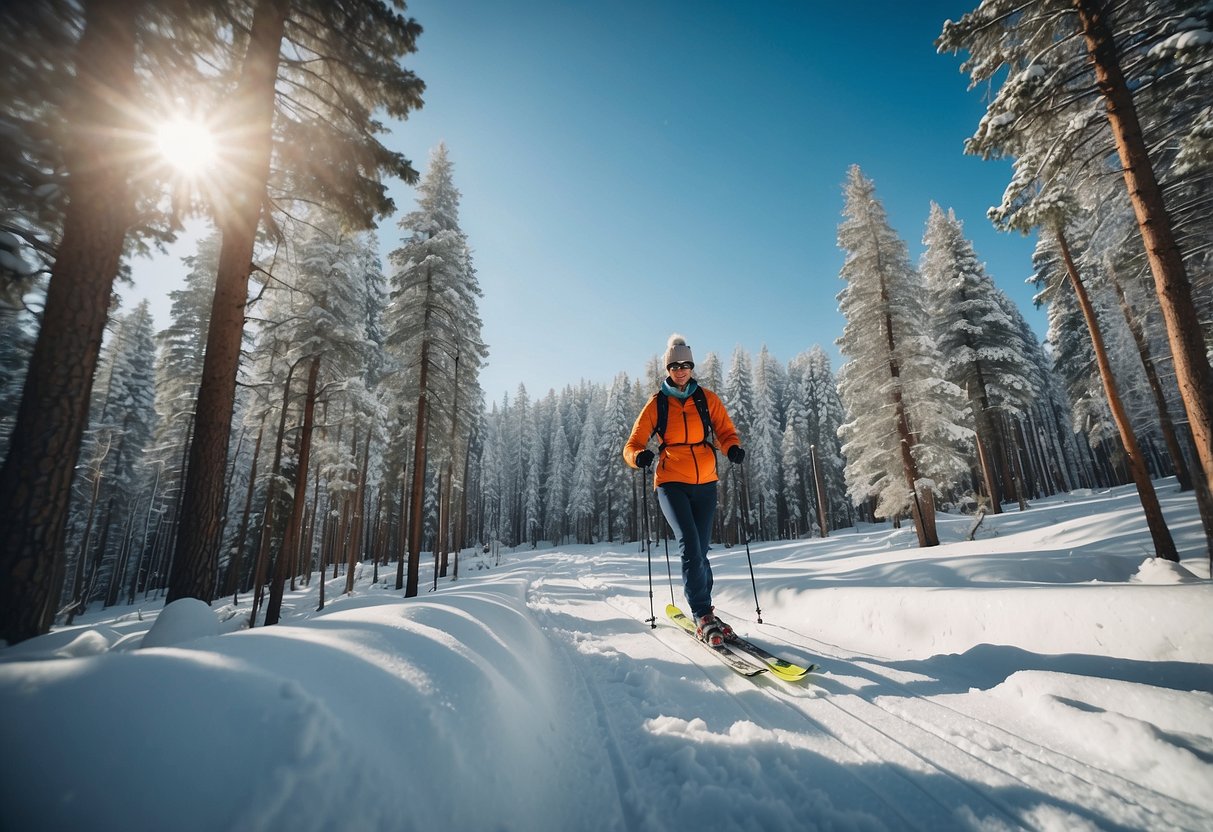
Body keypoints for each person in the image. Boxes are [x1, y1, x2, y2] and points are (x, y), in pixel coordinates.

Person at [623, 333, 745, 646]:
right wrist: (639, 457)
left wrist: (732, 449)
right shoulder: (657, 403)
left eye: (686, 364)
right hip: (670, 482)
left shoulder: (707, 399)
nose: (680, 370)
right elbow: (632, 445)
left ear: (691, 366)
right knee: (690, 544)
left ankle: (707, 608)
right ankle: (701, 612)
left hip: (706, 482)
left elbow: (726, 432)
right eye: (674, 365)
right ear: (667, 368)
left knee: (701, 551)